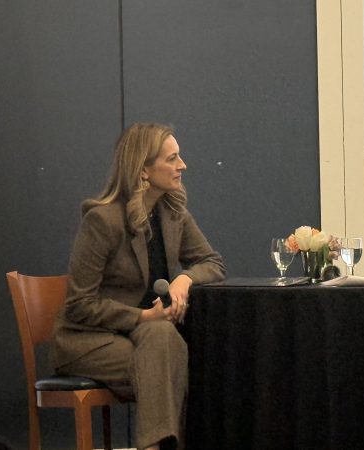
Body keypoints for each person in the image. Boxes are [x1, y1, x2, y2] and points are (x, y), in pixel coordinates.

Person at [51, 122, 226, 450]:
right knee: (167, 356)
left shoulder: (174, 214)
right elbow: (79, 305)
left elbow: (212, 263)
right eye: (172, 159)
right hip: (91, 339)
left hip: (151, 336)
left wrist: (184, 279)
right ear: (143, 170)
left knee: (163, 340)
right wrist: (143, 317)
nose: (182, 165)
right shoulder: (102, 221)